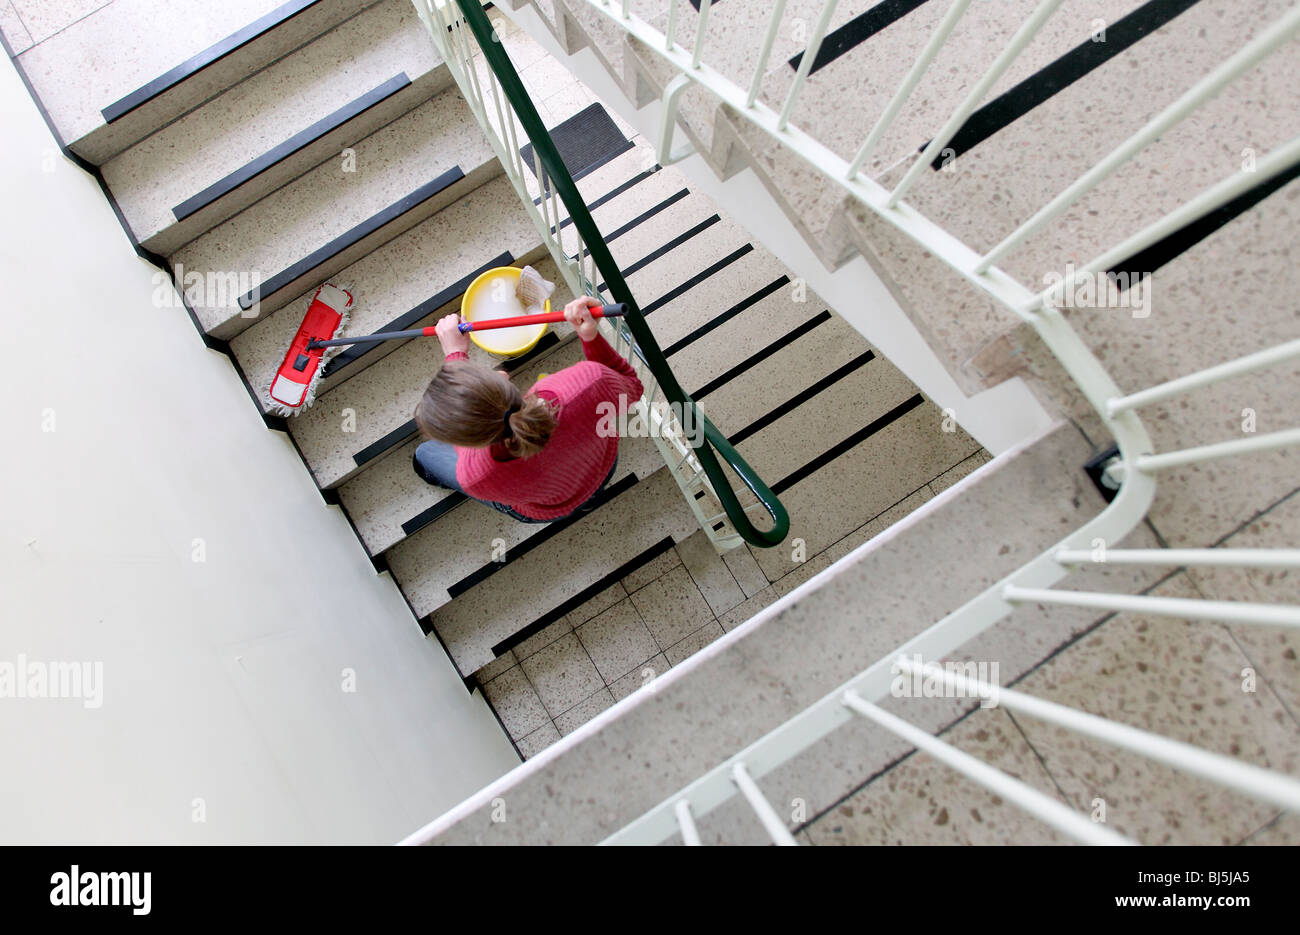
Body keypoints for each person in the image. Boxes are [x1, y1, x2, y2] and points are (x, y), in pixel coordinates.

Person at [412, 295, 643, 523]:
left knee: (424, 454)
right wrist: (590, 336)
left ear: (467, 442)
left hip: (550, 506)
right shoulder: (583, 385)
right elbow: (631, 384)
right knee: (427, 453)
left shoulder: (474, 474)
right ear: (502, 378)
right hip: (601, 466)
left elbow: (468, 432)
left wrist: (456, 356)